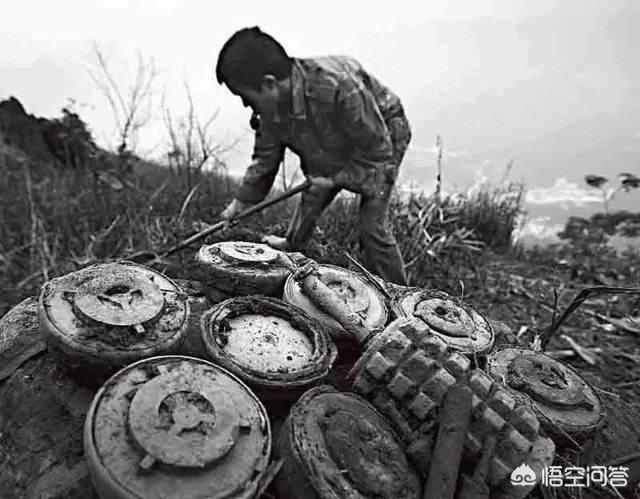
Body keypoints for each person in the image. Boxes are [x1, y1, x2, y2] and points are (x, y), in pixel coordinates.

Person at [216, 27, 411, 285]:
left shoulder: (338, 86)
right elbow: (264, 161)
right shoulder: (271, 109)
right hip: (335, 137)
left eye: (245, 97)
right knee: (314, 189)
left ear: (269, 84)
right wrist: (240, 204)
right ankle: (291, 243)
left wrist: (335, 180)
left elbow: (379, 155)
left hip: (381, 134)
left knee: (372, 225)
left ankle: (400, 295)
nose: (245, 105)